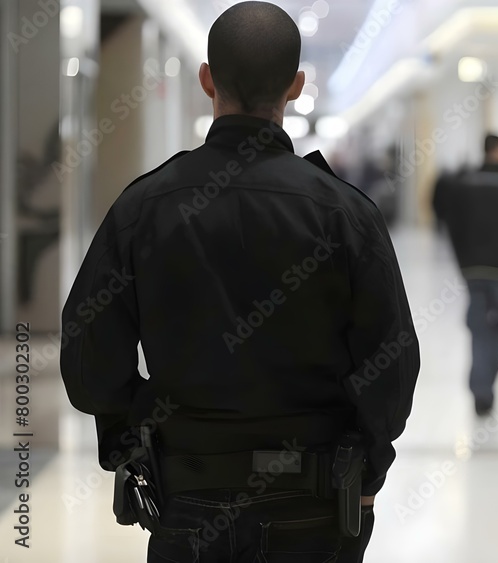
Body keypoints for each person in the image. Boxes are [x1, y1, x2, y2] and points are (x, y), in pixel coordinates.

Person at [59, 3, 419, 561]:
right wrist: (366, 466)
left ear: (207, 79)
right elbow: (391, 365)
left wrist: (135, 438)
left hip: (187, 495)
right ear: (296, 86)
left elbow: (87, 361)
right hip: (314, 499)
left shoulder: (145, 207)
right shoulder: (345, 214)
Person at [434, 134, 498, 416]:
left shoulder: (464, 187)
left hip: (474, 268)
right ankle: (486, 381)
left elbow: (453, 227)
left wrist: (462, 261)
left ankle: (481, 387)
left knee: (479, 327)